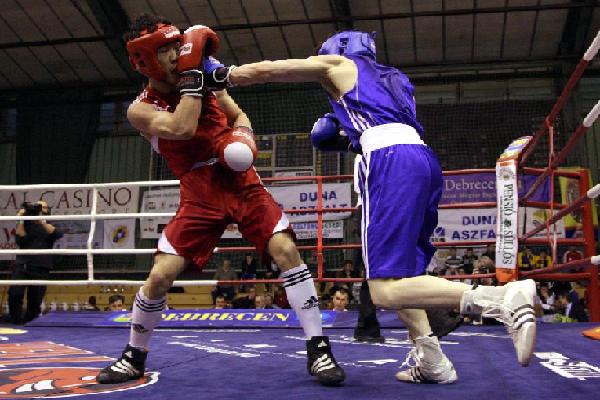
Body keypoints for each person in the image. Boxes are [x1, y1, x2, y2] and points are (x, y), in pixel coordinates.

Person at [209, 30, 537, 383]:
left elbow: (273, 69)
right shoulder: (394, 79)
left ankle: (501, 299)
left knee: (383, 289)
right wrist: (351, 142)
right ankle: (432, 361)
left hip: (390, 162)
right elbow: (384, 123)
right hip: (422, 160)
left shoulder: (340, 63)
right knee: (403, 275)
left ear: (341, 49)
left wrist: (225, 76)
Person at [96, 15, 345, 387]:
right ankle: (133, 355)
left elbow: (238, 114)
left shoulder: (201, 77)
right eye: (164, 50)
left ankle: (319, 348)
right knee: (161, 276)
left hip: (239, 179)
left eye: (174, 46)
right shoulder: (141, 108)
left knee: (286, 251)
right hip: (199, 190)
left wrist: (242, 138)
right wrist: (194, 79)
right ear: (145, 59)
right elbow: (181, 127)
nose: (174, 54)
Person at [9, 201, 63, 324]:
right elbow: (20, 239)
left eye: (43, 207)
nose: (40, 209)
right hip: (22, 264)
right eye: (38, 207)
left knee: (35, 299)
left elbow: (57, 234)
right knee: (15, 293)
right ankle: (16, 321)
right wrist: (21, 219)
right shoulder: (25, 223)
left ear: (47, 210)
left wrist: (41, 221)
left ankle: (31, 322)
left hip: (41, 265)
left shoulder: (49, 225)